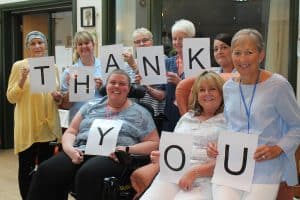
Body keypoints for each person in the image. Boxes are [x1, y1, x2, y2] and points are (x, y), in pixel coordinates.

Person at [27, 69, 160, 200]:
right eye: (112, 82)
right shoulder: (91, 105)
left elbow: (154, 143)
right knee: (46, 170)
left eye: (122, 83)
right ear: (106, 86)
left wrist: (127, 149)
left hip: (113, 156)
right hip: (81, 150)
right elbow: (72, 131)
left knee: (88, 174)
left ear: (129, 88)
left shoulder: (141, 113)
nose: (116, 86)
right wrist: (69, 150)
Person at [208, 28, 300, 200]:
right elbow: (230, 125)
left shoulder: (278, 86)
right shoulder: (228, 87)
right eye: (237, 53)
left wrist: (277, 149)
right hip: (232, 163)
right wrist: (218, 144)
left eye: (249, 52)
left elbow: (297, 127)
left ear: (261, 55)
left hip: (265, 165)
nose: (242, 59)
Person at [140, 71, 227, 199]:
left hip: (205, 177)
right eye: (202, 90)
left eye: (212, 89)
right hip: (173, 173)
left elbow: (232, 162)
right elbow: (175, 149)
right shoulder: (187, 117)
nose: (207, 94)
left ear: (222, 93)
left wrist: (194, 172)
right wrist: (163, 157)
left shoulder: (229, 121)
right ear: (196, 95)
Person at [6, 31, 62, 200]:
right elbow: (11, 97)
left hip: (48, 126)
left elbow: (56, 97)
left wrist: (58, 97)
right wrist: (22, 79)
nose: (37, 46)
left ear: (46, 45)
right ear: (28, 47)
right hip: (28, 126)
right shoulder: (19, 66)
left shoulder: (54, 67)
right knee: (26, 168)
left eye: (40, 43)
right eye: (33, 43)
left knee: (46, 169)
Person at [123, 27, 166, 120]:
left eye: (145, 40)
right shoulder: (127, 64)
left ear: (152, 42)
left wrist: (134, 66)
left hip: (155, 115)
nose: (141, 44)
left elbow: (160, 92)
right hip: (132, 115)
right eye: (137, 42)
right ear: (134, 45)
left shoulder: (162, 59)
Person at [60, 31, 103, 123]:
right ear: (76, 48)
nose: (84, 46)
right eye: (80, 44)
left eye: (87, 43)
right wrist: (72, 89)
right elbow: (64, 105)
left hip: (102, 120)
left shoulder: (105, 68)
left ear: (93, 45)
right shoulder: (68, 73)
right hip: (78, 123)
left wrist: (103, 87)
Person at [163, 19, 196, 132]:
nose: (177, 42)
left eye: (181, 38)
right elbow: (162, 94)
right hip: (170, 116)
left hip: (192, 115)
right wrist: (148, 88)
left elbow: (202, 91)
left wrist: (180, 82)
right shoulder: (167, 62)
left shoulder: (198, 63)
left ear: (191, 39)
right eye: (174, 39)